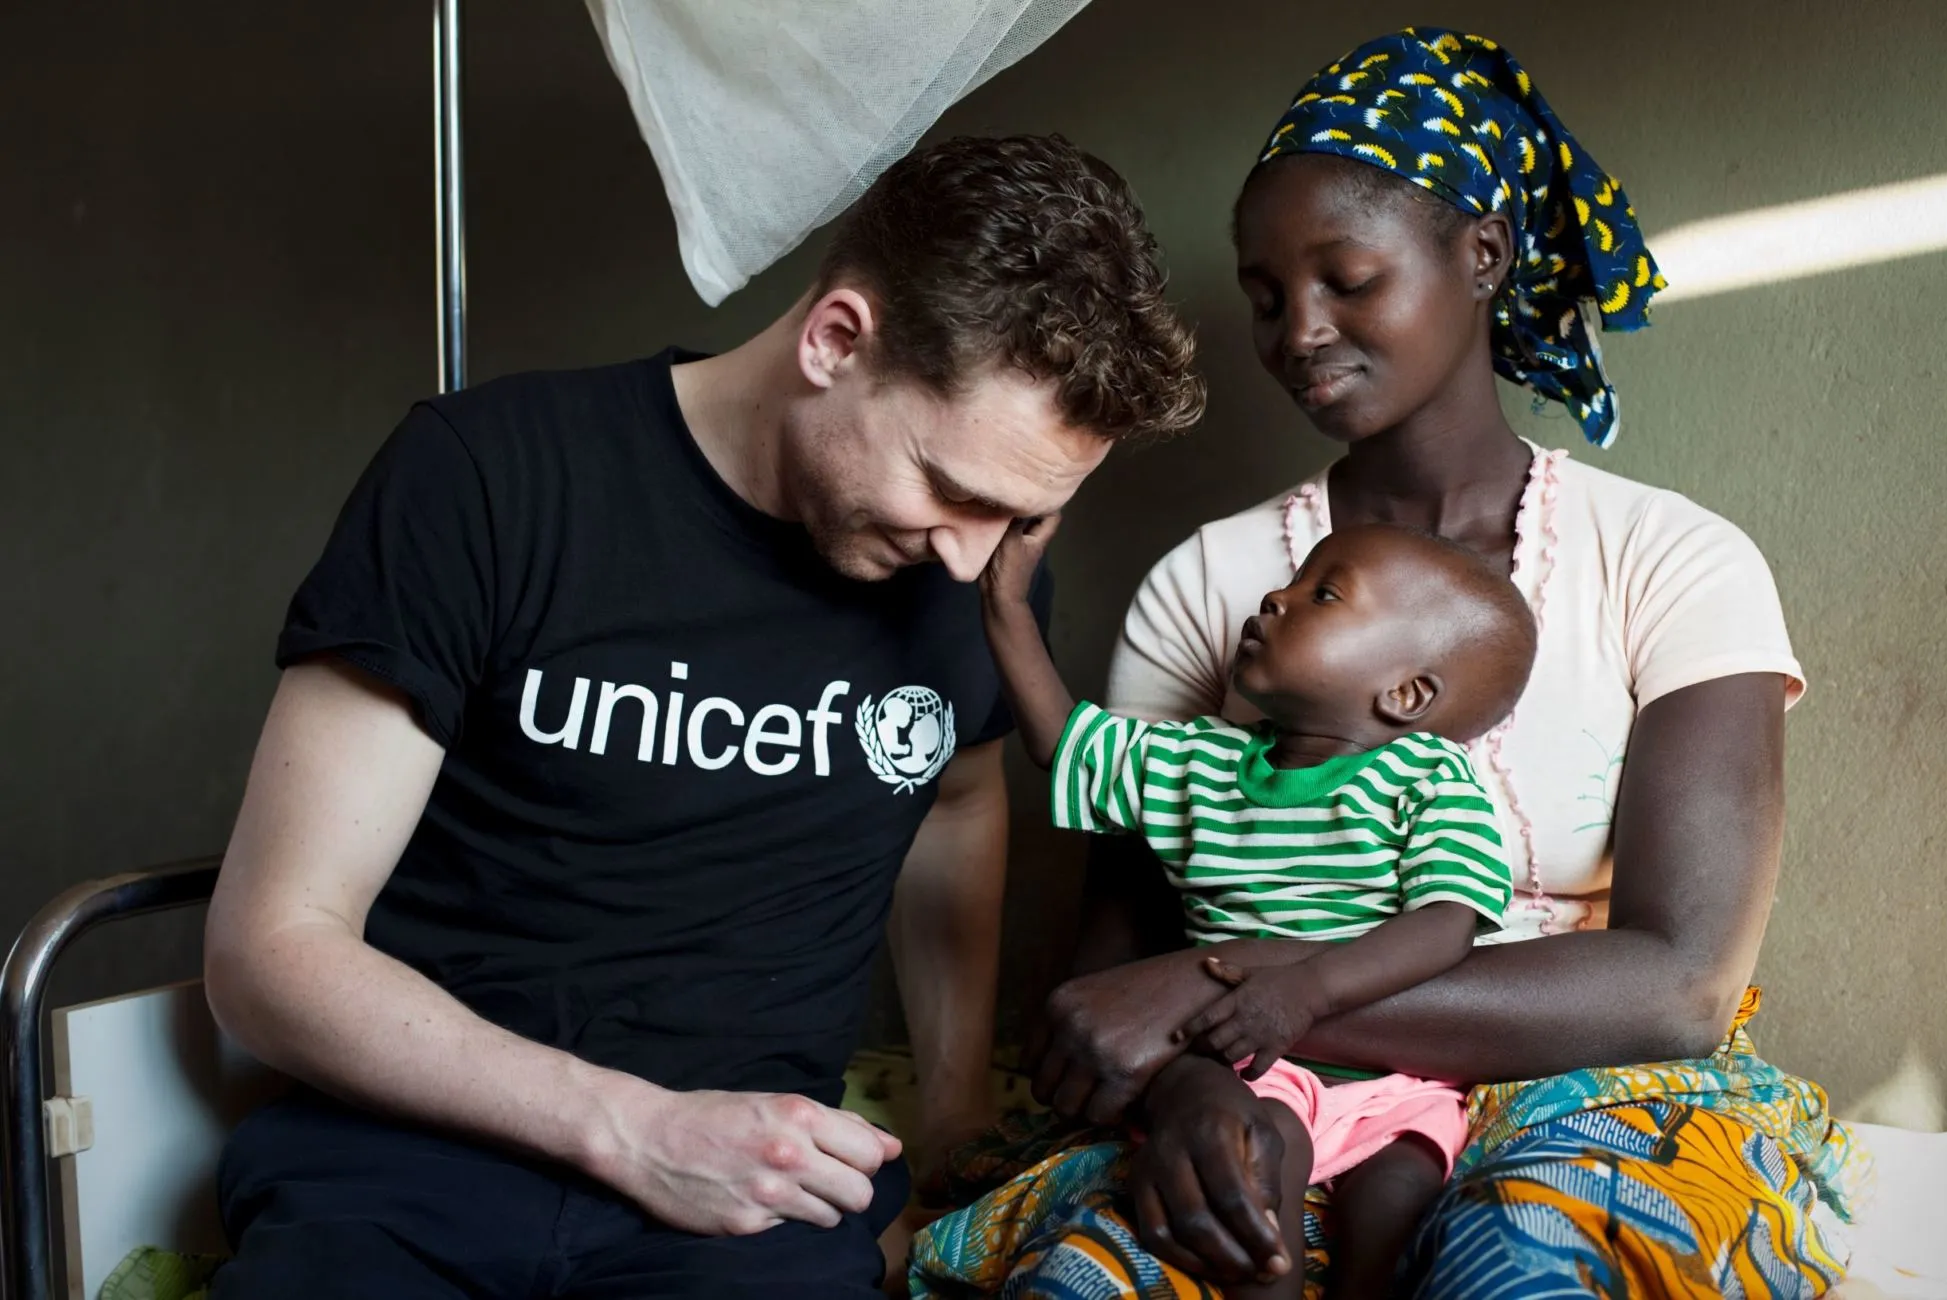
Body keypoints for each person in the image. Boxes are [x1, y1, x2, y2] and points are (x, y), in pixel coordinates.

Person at [914, 29, 1863, 1300]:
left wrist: (1221, 997)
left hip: (1590, 1089)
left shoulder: (1670, 560)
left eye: (1346, 280)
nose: (1298, 331)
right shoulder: (1213, 582)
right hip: (1258, 1093)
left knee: (1516, 1272)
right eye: (1263, 296)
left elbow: (1676, 983)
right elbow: (1105, 974)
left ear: (1482, 253)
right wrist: (1195, 1084)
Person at [201, 133, 1204, 1300]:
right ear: (836, 340)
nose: (973, 558)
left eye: (1023, 521)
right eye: (951, 489)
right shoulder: (487, 478)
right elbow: (269, 951)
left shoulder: (975, 575)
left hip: (754, 1200)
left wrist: (953, 1109)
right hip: (406, 1163)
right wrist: (634, 1130)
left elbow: (955, 795)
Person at [976, 514, 1537, 1298]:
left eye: (1323, 594)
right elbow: (1058, 742)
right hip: (1255, 1065)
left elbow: (1447, 922)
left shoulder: (1428, 780)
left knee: (1399, 1198)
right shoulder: (1193, 760)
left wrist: (1306, 991)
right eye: (1292, 581)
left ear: (1404, 694)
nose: (1275, 598)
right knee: (1254, 1165)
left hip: (1401, 1074)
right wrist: (1004, 603)